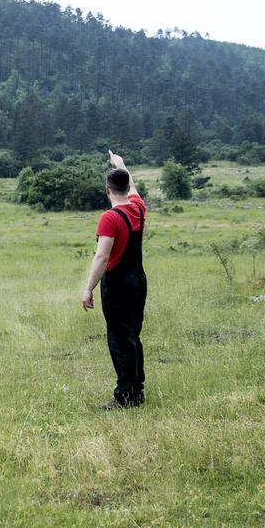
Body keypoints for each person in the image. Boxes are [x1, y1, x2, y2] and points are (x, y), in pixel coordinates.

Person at [81, 151, 147, 409]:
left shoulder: (109, 218)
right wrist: (120, 164)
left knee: (120, 340)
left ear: (107, 190)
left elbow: (101, 257)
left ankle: (125, 397)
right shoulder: (138, 209)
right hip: (138, 280)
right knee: (133, 336)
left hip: (118, 284)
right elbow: (132, 186)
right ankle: (136, 391)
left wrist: (88, 289)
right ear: (127, 187)